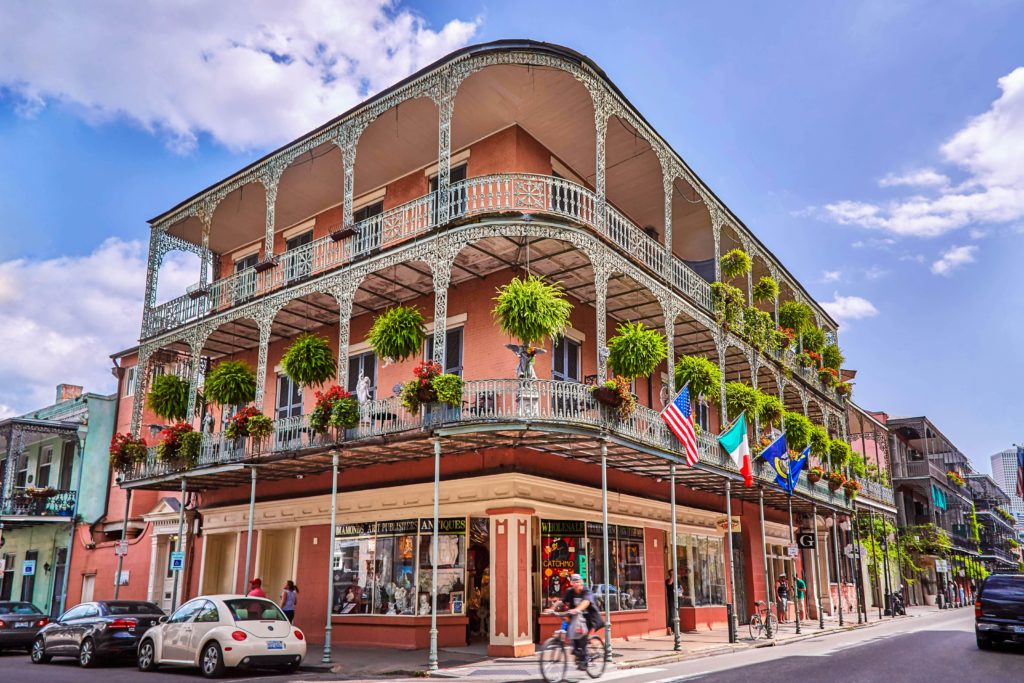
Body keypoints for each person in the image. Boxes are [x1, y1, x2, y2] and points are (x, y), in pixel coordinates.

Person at [548, 574, 601, 671]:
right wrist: (552, 609)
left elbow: (586, 602)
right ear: (571, 583)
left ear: (581, 582)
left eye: (577, 582)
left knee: (582, 637)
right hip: (576, 618)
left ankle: (584, 660)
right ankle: (578, 652)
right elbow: (561, 601)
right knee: (572, 634)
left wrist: (577, 609)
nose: (576, 584)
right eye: (574, 582)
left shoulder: (586, 591)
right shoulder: (570, 592)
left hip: (589, 618)